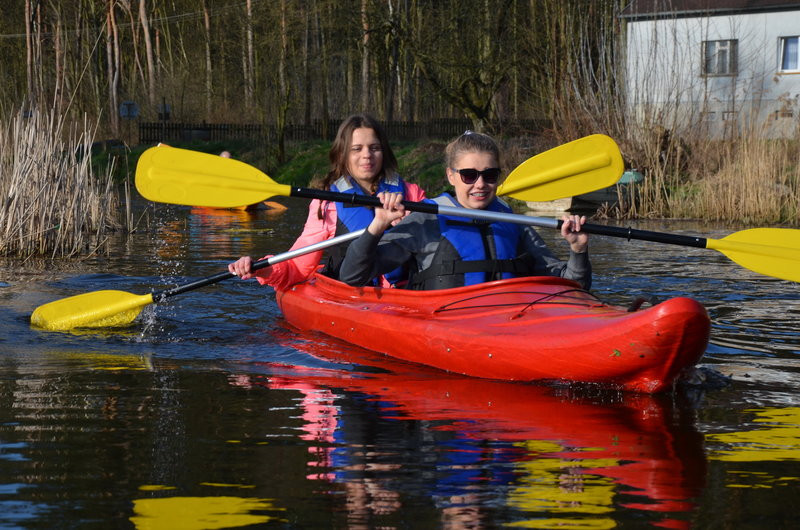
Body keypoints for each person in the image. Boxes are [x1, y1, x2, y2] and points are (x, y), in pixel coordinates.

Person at [339, 130, 591, 290]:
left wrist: (577, 250)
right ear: (451, 176)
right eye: (469, 175)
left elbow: (573, 285)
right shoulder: (426, 219)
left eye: (490, 175)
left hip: (509, 319)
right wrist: (377, 226)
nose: (480, 184)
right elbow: (352, 276)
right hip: (445, 325)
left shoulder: (513, 222)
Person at [228, 114, 426, 290]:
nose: (367, 155)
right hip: (351, 294)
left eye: (374, 148)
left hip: (406, 292)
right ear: (342, 154)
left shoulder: (411, 194)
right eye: (356, 149)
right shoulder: (327, 204)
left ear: (384, 152)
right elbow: (297, 266)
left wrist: (417, 226)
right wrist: (260, 268)